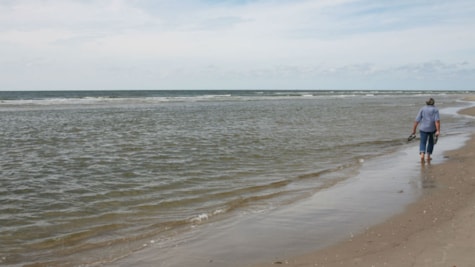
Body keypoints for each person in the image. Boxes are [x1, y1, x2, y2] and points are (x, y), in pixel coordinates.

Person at [411, 98, 440, 163]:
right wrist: (438, 130)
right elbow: (437, 121)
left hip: (423, 128)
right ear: (433, 103)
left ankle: (422, 155)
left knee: (422, 142)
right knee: (431, 142)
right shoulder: (435, 109)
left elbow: (417, 120)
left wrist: (414, 130)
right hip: (432, 129)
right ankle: (428, 156)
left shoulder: (422, 108)